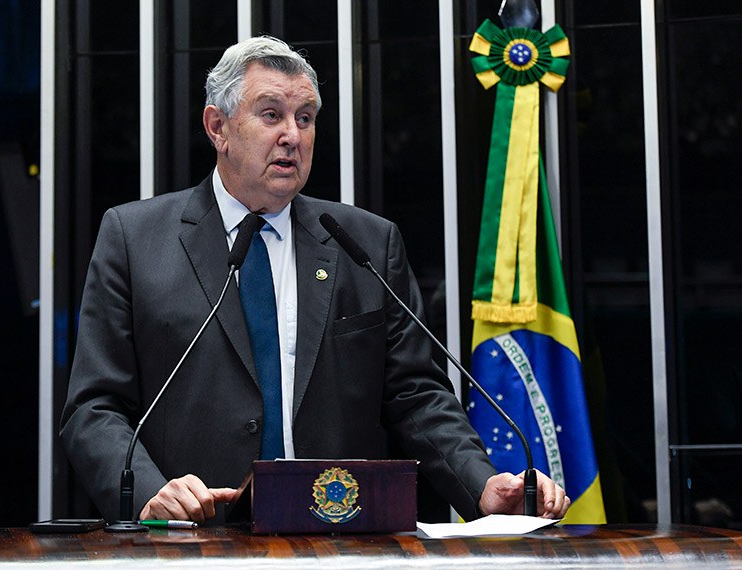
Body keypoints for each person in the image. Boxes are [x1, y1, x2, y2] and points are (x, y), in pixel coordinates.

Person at [60, 35, 570, 525]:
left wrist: (480, 484)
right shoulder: (135, 238)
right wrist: (150, 492)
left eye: (305, 119)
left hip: (338, 539)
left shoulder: (366, 244)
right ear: (218, 127)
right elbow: (94, 407)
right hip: (195, 541)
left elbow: (416, 394)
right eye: (271, 115)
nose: (292, 135)